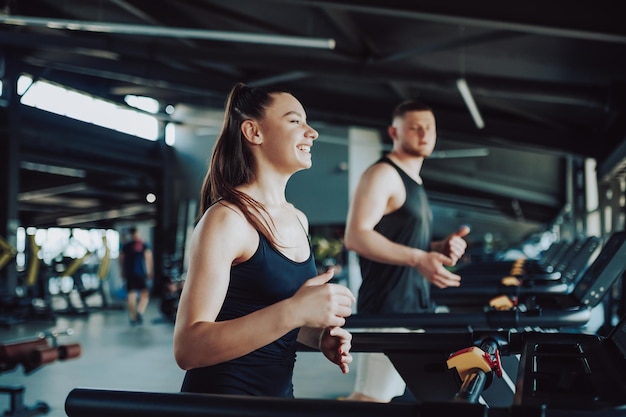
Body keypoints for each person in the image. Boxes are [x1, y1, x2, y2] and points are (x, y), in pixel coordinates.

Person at [173, 82, 355, 397]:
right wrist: (296, 311)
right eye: (295, 121)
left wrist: (316, 334)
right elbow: (188, 349)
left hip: (279, 400)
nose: (311, 132)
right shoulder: (227, 220)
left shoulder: (298, 219)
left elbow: (269, 317)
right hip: (223, 403)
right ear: (254, 132)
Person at [343, 100, 471, 402]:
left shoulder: (415, 181)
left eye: (429, 127)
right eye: (414, 127)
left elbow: (405, 241)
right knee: (370, 400)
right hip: (388, 310)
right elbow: (356, 236)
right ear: (393, 132)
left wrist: (439, 249)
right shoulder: (383, 175)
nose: (424, 133)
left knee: (386, 400)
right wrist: (418, 258)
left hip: (413, 309)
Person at [119, 227, 153, 326]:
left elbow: (121, 260)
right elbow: (148, 258)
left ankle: (134, 316)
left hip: (131, 274)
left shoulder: (127, 246)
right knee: (141, 295)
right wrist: (150, 271)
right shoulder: (142, 245)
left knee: (133, 295)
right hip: (139, 273)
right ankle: (139, 312)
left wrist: (122, 272)